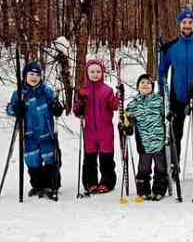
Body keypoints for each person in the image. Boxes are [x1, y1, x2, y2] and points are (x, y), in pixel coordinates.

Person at [6, 61, 64, 198]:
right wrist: (15, 108)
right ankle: (38, 185)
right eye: (31, 74)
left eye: (37, 74)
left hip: (46, 132)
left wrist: (57, 107)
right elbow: (9, 109)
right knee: (33, 160)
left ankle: (51, 185)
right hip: (29, 134)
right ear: (25, 76)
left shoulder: (46, 90)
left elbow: (57, 105)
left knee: (51, 158)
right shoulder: (19, 93)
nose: (34, 77)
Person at [159, 8, 193, 169]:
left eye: (190, 22)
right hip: (177, 97)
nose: (187, 25)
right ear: (179, 25)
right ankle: (174, 164)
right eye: (184, 22)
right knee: (175, 134)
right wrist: (161, 91)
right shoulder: (170, 48)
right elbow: (162, 72)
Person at [73, 60, 119, 194]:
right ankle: (90, 182)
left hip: (105, 130)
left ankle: (107, 182)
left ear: (102, 73)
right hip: (90, 132)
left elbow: (114, 107)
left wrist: (117, 97)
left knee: (106, 158)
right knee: (90, 158)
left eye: (98, 71)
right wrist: (79, 106)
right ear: (87, 73)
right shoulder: (83, 91)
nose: (95, 74)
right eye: (92, 72)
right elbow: (76, 111)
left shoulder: (107, 90)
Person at [123, 74, 168, 201]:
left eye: (148, 83)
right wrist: (126, 125)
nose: (145, 85)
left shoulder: (159, 101)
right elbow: (126, 118)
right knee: (144, 168)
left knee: (161, 168)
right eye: (142, 83)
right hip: (143, 142)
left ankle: (159, 190)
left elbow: (166, 115)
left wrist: (170, 116)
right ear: (138, 87)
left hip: (158, 141)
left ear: (152, 87)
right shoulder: (134, 104)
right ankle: (143, 190)